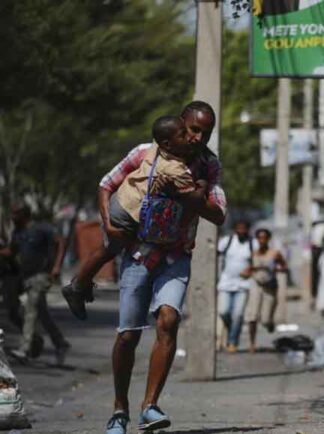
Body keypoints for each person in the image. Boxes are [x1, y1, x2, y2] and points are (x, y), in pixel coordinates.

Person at [99, 101, 226, 434]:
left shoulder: (208, 166)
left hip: (176, 254)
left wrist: (194, 197)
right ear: (180, 125)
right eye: (193, 129)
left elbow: (219, 212)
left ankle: (149, 407)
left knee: (168, 320)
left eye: (206, 132)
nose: (198, 137)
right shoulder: (146, 153)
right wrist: (109, 226)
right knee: (127, 336)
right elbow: (107, 184)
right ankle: (119, 410)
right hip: (139, 253)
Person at [62, 115, 199, 320]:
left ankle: (81, 284)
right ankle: (78, 286)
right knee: (118, 248)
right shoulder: (176, 169)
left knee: (109, 250)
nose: (190, 137)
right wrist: (202, 185)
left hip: (121, 202)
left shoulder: (155, 151)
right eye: (184, 134)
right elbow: (195, 198)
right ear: (168, 143)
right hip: (127, 215)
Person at [0, 204, 69, 366]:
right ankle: (60, 343)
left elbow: (61, 241)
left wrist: (57, 266)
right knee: (42, 313)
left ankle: (24, 350)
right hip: (26, 278)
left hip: (42, 275)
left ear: (25, 215)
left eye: (16, 214)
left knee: (30, 309)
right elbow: (11, 251)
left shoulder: (41, 228)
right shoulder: (18, 233)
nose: (12, 217)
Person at [243, 228, 286, 353]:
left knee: (266, 319)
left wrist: (278, 269)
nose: (262, 240)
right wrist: (248, 271)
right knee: (252, 315)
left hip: (270, 286)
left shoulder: (275, 253)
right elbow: (249, 268)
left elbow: (283, 265)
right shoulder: (253, 253)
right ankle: (252, 343)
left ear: (268, 239)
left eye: (264, 238)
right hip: (256, 284)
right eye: (259, 238)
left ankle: (270, 323)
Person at [216, 220, 255, 353]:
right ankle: (232, 328)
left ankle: (232, 341)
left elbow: (259, 260)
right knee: (223, 311)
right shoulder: (227, 241)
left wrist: (250, 269)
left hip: (243, 285)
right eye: (239, 228)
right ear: (235, 230)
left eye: (244, 229)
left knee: (238, 314)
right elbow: (214, 253)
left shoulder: (252, 244)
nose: (241, 231)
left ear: (248, 230)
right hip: (225, 283)